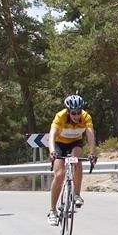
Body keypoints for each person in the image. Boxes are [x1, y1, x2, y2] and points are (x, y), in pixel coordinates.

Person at [46, 94, 98, 226]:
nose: (76, 115)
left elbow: (90, 134)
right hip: (59, 144)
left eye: (79, 112)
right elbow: (52, 135)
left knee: (76, 161)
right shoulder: (60, 116)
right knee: (59, 175)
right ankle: (52, 211)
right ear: (68, 111)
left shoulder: (86, 117)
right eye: (73, 113)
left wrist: (92, 152)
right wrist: (52, 151)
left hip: (75, 142)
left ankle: (76, 195)